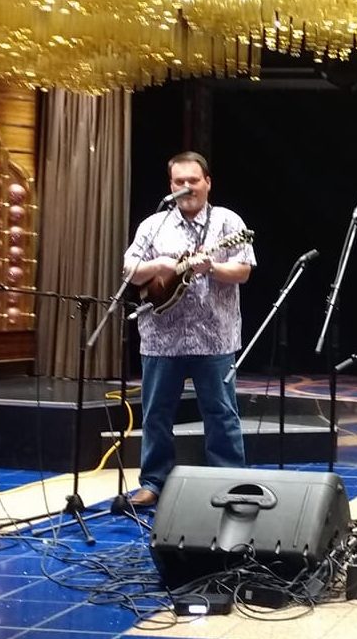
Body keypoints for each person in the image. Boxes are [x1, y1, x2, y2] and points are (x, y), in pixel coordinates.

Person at [123, 151, 256, 507]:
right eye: (179, 182)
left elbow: (243, 270)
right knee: (156, 415)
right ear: (171, 186)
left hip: (214, 338)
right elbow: (130, 270)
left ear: (207, 183)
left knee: (221, 413)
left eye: (193, 181)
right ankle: (153, 483)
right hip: (161, 338)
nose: (186, 187)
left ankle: (229, 481)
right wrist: (161, 264)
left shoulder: (228, 222)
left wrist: (212, 267)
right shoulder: (154, 225)